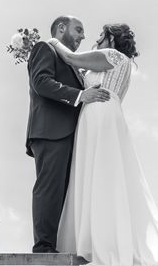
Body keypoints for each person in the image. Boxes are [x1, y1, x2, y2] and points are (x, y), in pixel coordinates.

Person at [46, 23, 158, 266]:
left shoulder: (113, 56)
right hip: (99, 115)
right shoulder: (114, 64)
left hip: (100, 114)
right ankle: (99, 237)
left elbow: (72, 58)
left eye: (100, 36)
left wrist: (53, 42)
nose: (96, 40)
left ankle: (106, 243)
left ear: (111, 38)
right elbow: (80, 70)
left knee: (102, 174)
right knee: (103, 176)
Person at [26, 15, 111, 253]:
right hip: (51, 131)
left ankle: (62, 244)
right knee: (50, 188)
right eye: (79, 29)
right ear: (61, 28)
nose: (83, 36)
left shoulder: (72, 63)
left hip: (73, 135)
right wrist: (80, 95)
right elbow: (41, 82)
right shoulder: (44, 48)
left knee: (68, 193)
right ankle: (44, 247)